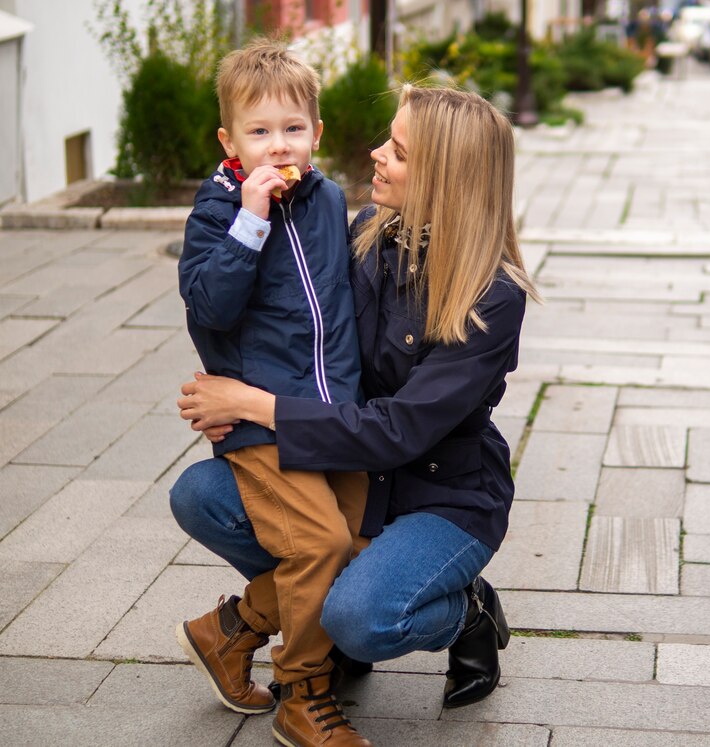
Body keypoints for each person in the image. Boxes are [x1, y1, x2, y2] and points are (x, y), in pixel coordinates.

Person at [170, 83, 539, 737]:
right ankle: (297, 618)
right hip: (352, 471)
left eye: (396, 150)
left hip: (439, 492)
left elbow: (399, 429)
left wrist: (259, 404)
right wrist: (227, 392)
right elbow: (292, 321)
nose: (374, 153)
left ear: (442, 177)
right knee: (203, 493)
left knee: (362, 616)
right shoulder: (370, 232)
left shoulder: (493, 297)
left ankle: (465, 612)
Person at [175, 39, 372, 747]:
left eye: (292, 129)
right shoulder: (217, 211)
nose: (277, 146)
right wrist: (249, 221)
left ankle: (228, 631)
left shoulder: (327, 200)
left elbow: (344, 303)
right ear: (230, 142)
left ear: (316, 134)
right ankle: (303, 691)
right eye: (259, 133)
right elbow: (210, 306)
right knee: (319, 541)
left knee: (349, 543)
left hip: (331, 415)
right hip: (261, 422)